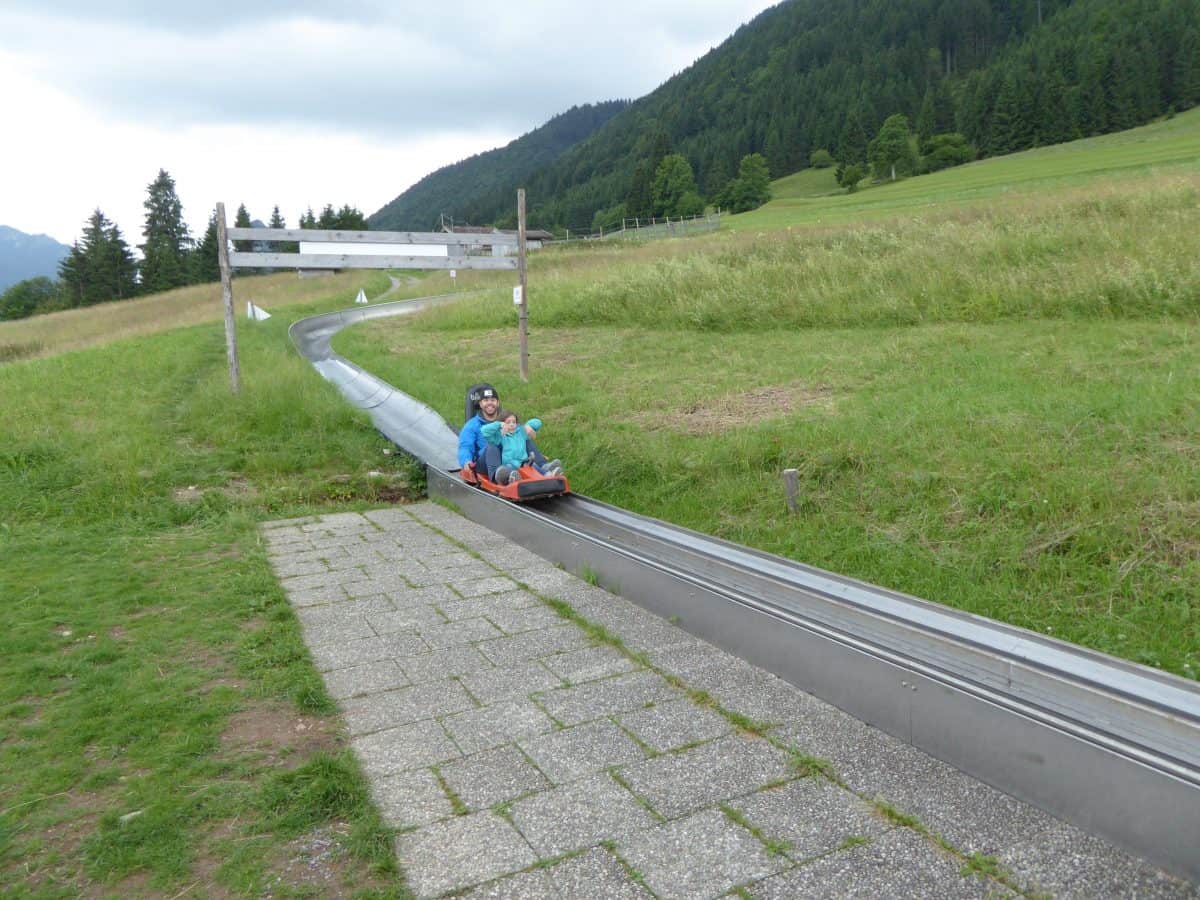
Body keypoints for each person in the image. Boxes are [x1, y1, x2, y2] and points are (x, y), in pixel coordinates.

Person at [458, 383, 556, 482]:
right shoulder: (472, 425)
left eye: (493, 400)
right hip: (484, 463)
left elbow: (523, 429)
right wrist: (466, 461)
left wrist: (527, 426)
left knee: (523, 439)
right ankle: (497, 477)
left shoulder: (507, 420)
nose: (489, 403)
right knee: (492, 446)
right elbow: (465, 446)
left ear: (498, 403)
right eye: (486, 401)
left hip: (509, 459)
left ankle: (544, 467)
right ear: (480, 404)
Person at [482, 410, 564, 484]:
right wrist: (499, 424)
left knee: (534, 466)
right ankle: (513, 479)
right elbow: (484, 431)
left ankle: (549, 475)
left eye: (513, 422)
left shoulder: (521, 432)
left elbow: (538, 423)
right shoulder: (500, 436)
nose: (511, 424)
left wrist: (528, 425)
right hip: (510, 464)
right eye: (508, 422)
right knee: (507, 469)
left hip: (524, 462)